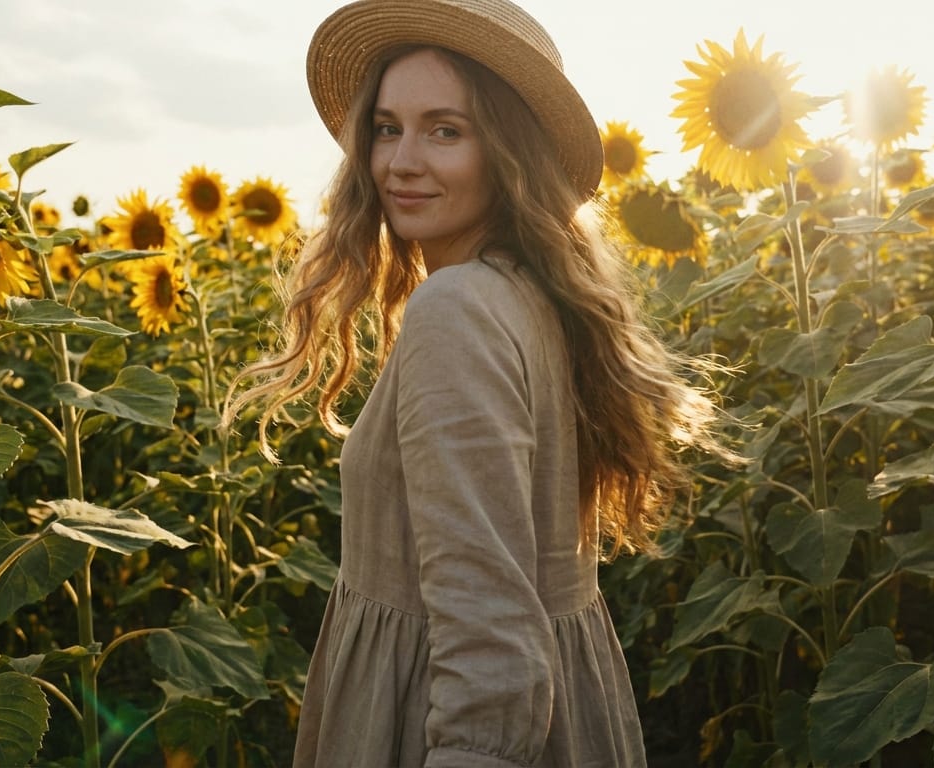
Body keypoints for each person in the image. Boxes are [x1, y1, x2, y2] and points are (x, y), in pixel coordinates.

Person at [224, 0, 737, 765]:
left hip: (434, 718)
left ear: (507, 151)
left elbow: (489, 636)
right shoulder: (529, 294)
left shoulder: (456, 309)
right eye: (387, 127)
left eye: (445, 130)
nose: (401, 161)